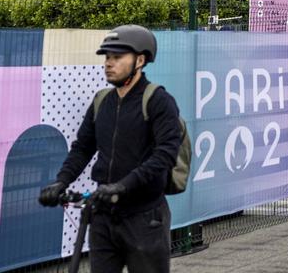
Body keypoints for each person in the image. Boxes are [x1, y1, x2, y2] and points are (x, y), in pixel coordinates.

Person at [38, 25, 182, 273]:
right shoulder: (101, 101)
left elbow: (165, 155)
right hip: (104, 216)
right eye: (107, 57)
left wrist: (123, 185)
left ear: (140, 60)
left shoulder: (158, 101)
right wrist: (61, 182)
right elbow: (82, 148)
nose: (108, 63)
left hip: (145, 217)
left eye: (117, 57)